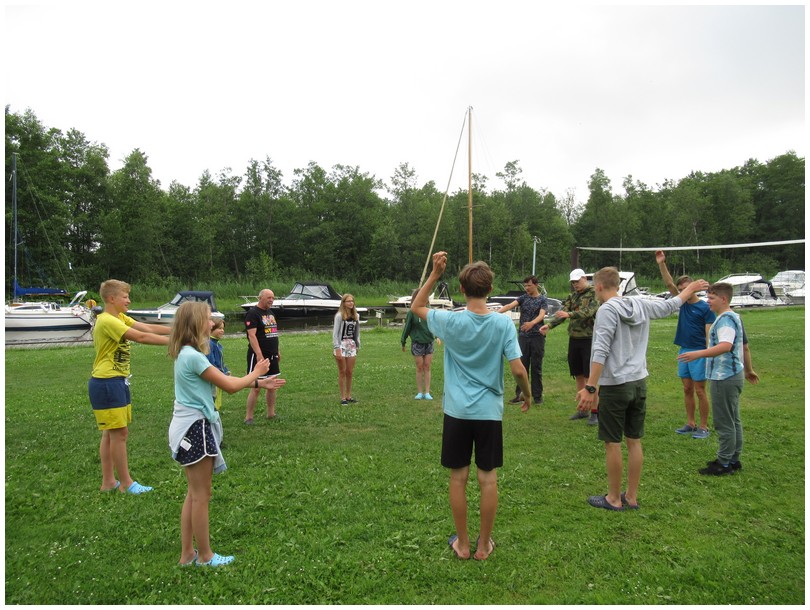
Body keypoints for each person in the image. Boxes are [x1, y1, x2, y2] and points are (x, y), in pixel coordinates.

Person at [412, 252, 531, 561]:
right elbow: (518, 370)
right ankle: (483, 545)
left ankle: (463, 544)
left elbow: (417, 306)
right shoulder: (503, 324)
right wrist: (527, 393)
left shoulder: (450, 321)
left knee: (457, 478)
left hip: (458, 412)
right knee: (487, 478)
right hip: (489, 412)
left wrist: (436, 275)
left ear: (462, 290)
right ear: (489, 290)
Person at [577, 267, 708, 511]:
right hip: (638, 382)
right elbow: (671, 305)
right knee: (634, 441)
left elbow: (600, 350)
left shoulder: (606, 310)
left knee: (612, 442)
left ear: (598, 287)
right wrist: (690, 289)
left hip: (616, 385)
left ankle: (614, 498)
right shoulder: (640, 304)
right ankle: (632, 497)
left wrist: (590, 387)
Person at [168, 301, 286, 567]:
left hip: (187, 426)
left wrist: (259, 382)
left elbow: (226, 383)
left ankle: (188, 554)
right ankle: (205, 556)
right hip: (194, 428)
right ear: (196, 323)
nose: (212, 324)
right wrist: (256, 373)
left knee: (194, 493)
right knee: (201, 496)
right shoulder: (194, 357)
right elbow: (230, 386)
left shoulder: (186, 353)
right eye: (208, 319)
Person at [88, 279, 171, 494]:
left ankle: (108, 482)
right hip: (107, 382)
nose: (129, 300)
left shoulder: (120, 317)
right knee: (119, 433)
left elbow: (147, 327)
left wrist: (180, 328)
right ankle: (126, 484)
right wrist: (178, 342)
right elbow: (141, 337)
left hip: (116, 380)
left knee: (111, 433)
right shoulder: (106, 320)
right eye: (125, 297)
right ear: (111, 298)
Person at [677, 283, 759, 476]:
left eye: (711, 298)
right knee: (733, 419)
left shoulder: (725, 320)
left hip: (725, 377)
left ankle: (723, 463)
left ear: (723, 299)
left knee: (724, 422)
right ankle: (732, 458)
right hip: (732, 375)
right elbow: (742, 346)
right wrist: (748, 370)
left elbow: (725, 346)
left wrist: (698, 354)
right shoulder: (730, 317)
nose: (708, 301)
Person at [656, 250, 716, 439]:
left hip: (699, 352)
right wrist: (661, 263)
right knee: (687, 389)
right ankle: (691, 423)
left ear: (695, 289)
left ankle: (704, 426)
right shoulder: (681, 303)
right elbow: (668, 283)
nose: (683, 291)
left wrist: (707, 353)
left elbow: (709, 333)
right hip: (684, 350)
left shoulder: (706, 308)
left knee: (700, 390)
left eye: (687, 288)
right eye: (681, 289)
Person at [540, 268, 600, 424]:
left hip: (589, 338)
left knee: (589, 377)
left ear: (584, 278)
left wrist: (570, 314)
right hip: (574, 339)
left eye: (577, 281)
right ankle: (582, 410)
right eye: (573, 282)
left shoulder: (594, 293)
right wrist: (550, 326)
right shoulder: (572, 296)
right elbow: (563, 312)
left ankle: (595, 412)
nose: (575, 285)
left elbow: (590, 311)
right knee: (578, 374)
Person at [498, 275, 547, 405]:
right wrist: (495, 314)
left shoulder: (542, 300)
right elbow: (509, 306)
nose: (526, 288)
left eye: (529, 285)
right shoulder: (523, 298)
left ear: (536, 285)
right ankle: (519, 395)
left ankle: (537, 397)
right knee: (522, 366)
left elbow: (542, 314)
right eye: (525, 285)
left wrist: (532, 323)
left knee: (536, 367)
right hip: (523, 338)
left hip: (537, 337)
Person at [244, 289, 281, 424]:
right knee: (256, 386)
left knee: (272, 384)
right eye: (268, 297)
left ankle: (271, 413)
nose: (271, 300)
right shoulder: (253, 314)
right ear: (261, 298)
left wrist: (277, 351)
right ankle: (249, 417)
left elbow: (273, 333)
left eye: (273, 297)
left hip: (272, 354)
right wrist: (259, 355)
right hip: (259, 355)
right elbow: (252, 336)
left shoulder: (270, 313)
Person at [400, 289, 437, 400]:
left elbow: (434, 326)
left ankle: (427, 392)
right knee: (419, 367)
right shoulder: (412, 312)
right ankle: (420, 392)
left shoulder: (430, 311)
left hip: (429, 343)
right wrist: (403, 341)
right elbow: (407, 328)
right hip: (417, 343)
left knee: (427, 366)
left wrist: (437, 336)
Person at [333, 293, 361, 406]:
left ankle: (349, 396)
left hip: (351, 344)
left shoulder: (356, 316)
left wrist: (358, 345)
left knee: (349, 372)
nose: (351, 303)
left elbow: (357, 331)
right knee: (342, 371)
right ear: (343, 303)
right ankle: (343, 397)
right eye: (348, 301)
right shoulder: (339, 315)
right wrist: (337, 348)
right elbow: (335, 333)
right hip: (341, 344)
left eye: (352, 301)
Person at [206, 317, 230, 412]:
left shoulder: (217, 344)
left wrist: (226, 370)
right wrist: (221, 373)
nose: (222, 331)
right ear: (211, 329)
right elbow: (210, 363)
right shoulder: (209, 344)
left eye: (223, 328)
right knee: (211, 397)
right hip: (212, 378)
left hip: (218, 375)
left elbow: (220, 362)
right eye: (219, 328)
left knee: (214, 396)